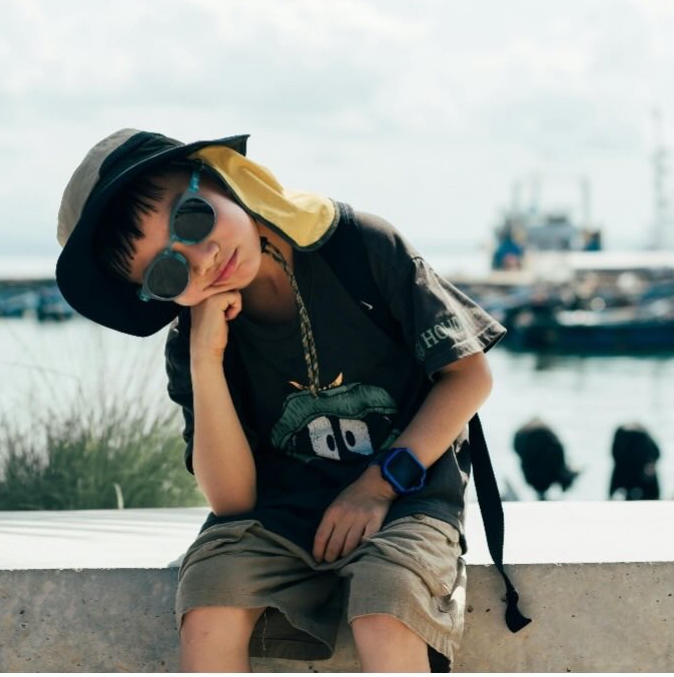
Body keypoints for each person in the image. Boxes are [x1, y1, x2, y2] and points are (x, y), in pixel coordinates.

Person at [55, 130, 508, 672]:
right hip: (280, 512)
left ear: (220, 175)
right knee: (209, 596)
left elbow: (469, 377)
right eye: (168, 272)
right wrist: (206, 360)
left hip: (406, 491)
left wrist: (376, 485)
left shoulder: (360, 248)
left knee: (386, 605)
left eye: (193, 218)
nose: (202, 259)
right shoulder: (194, 340)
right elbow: (233, 503)